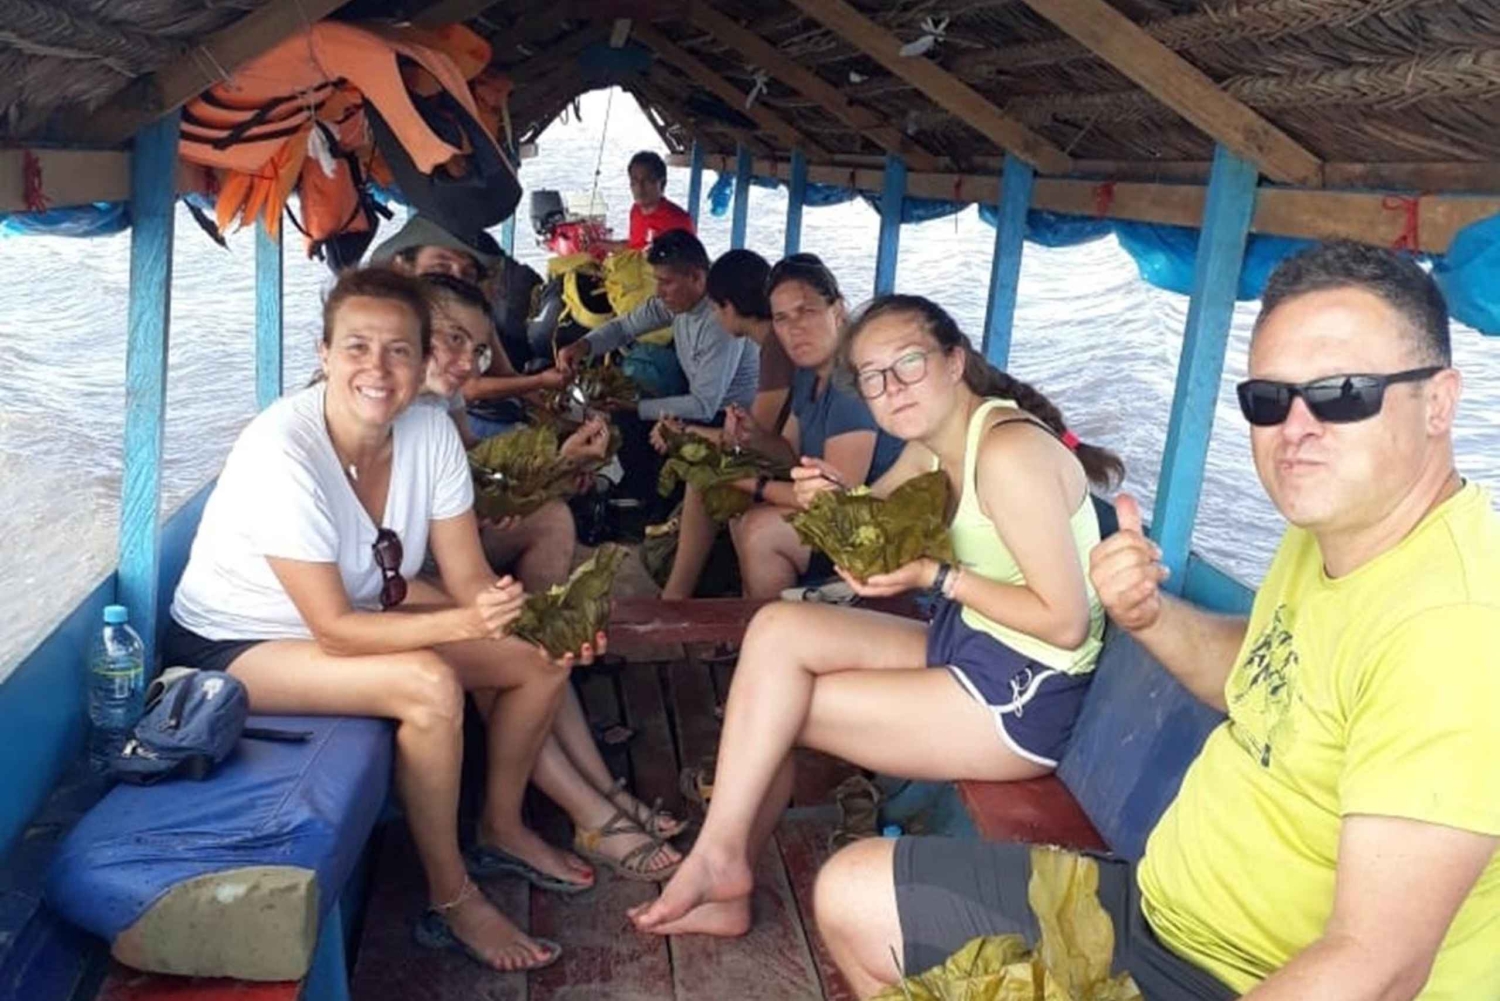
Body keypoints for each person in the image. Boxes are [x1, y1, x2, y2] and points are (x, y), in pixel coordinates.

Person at [814, 242, 1500, 1001]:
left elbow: (1376, 964)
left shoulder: (1456, 630)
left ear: (1439, 401)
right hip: (1156, 911)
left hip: (1240, 977)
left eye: (1343, 393)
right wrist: (1145, 615)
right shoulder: (1334, 534)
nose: (1296, 427)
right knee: (852, 895)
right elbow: (1259, 670)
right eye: (1269, 399)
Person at [627, 293, 1122, 938]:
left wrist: (936, 576)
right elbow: (872, 516)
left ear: (954, 361)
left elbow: (1064, 623)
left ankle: (720, 870)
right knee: (776, 631)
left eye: (909, 364)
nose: (892, 389)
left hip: (1023, 693)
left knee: (777, 709)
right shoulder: (935, 443)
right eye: (872, 377)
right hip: (969, 642)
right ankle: (721, 865)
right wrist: (830, 495)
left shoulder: (1008, 455)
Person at [166, 267, 594, 973]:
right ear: (325, 354)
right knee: (427, 684)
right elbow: (335, 629)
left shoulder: (431, 434)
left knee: (541, 659)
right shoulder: (283, 450)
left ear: (422, 363)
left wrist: (542, 621)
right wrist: (467, 623)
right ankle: (452, 894)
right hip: (238, 642)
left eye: (399, 350)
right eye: (357, 347)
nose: (378, 368)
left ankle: (501, 823)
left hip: (355, 616)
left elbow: (468, 581)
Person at [417, 273, 687, 879]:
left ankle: (600, 790)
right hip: (385, 590)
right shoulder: (383, 413)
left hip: (426, 565)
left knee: (547, 552)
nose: (465, 363)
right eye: (451, 340)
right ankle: (586, 811)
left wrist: (557, 469)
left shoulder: (432, 414)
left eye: (475, 348)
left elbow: (471, 487)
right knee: (520, 647)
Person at [658, 254, 904, 599]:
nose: (794, 328)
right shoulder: (808, 374)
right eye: (782, 318)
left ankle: (768, 623)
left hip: (872, 528)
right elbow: (789, 454)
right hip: (833, 512)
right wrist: (754, 437)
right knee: (731, 503)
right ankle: (717, 609)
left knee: (761, 529)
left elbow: (833, 499)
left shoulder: (851, 386)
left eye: (806, 312)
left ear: (837, 310)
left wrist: (751, 483)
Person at [557, 229, 760, 507]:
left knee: (633, 418)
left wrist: (635, 408)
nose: (658, 292)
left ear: (697, 277)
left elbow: (703, 406)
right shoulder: (677, 303)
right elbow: (625, 327)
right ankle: (640, 492)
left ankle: (650, 502)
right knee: (629, 401)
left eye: (666, 282)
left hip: (727, 417)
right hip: (700, 400)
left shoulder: (719, 320)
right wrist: (583, 346)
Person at [651, 248, 794, 599]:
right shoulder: (770, 345)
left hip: (787, 462)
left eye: (716, 308)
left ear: (729, 306)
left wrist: (683, 433)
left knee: (705, 478)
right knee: (704, 471)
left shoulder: (775, 349)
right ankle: (680, 593)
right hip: (784, 452)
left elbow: (752, 438)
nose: (715, 317)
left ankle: (677, 594)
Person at [372, 214, 570, 434]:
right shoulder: (389, 328)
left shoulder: (475, 319)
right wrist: (540, 381)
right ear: (403, 268)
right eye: (441, 267)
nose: (455, 279)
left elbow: (504, 375)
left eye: (467, 274)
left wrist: (560, 416)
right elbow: (468, 388)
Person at [601, 150, 695, 254]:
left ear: (662, 183)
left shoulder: (678, 220)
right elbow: (634, 247)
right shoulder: (636, 211)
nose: (640, 187)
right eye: (634, 181)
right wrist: (600, 244)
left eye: (647, 181)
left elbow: (688, 260)